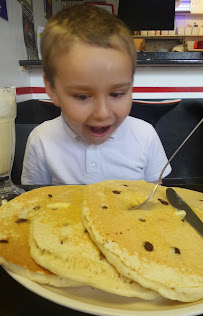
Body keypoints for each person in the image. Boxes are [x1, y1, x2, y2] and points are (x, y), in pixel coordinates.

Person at [21, 4, 171, 185]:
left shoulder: (145, 136)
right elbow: (35, 201)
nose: (102, 113)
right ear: (52, 89)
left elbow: (156, 199)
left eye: (116, 94)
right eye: (82, 96)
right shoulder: (41, 141)